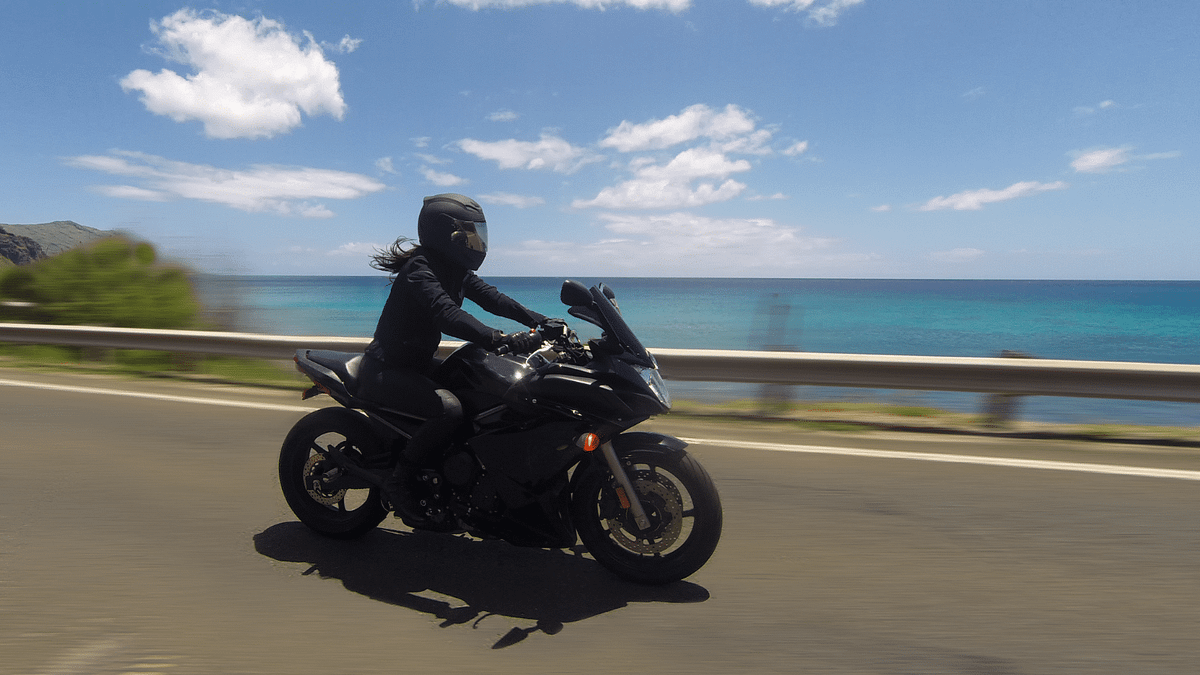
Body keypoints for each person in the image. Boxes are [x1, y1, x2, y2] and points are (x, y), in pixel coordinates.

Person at [360, 193, 549, 525]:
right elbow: (445, 313)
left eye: (477, 234)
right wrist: (499, 339)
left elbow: (494, 299)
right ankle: (399, 481)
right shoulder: (419, 268)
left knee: (477, 394)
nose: (476, 242)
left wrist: (541, 321)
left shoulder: (455, 269)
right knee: (449, 410)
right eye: (470, 234)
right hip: (386, 367)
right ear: (447, 234)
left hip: (417, 365)